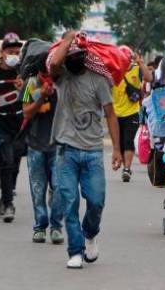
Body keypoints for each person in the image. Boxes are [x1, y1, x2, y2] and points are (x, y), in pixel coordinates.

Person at [49, 31, 122, 270]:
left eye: (78, 55)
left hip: (92, 150)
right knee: (69, 201)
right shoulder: (62, 77)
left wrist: (117, 150)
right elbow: (56, 63)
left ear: (86, 56)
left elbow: (111, 114)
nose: (74, 60)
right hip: (66, 149)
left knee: (96, 201)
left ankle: (90, 233)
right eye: (71, 55)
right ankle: (75, 251)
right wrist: (69, 39)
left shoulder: (98, 79)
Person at [22, 64, 64, 244]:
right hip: (35, 144)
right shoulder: (29, 85)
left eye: (50, 72)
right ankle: (40, 226)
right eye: (43, 73)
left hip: (59, 144)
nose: (47, 76)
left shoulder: (63, 84)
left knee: (59, 187)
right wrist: (41, 98)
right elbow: (26, 112)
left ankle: (56, 226)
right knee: (38, 189)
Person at [0, 33, 25, 222]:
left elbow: (32, 96)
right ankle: (8, 203)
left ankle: (6, 195)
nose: (14, 55)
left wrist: (24, 88)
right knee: (6, 161)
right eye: (10, 52)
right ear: (2, 52)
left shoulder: (22, 73)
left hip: (19, 123)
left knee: (15, 162)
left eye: (17, 52)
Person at [112, 45, 152, 182]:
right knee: (121, 143)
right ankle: (125, 167)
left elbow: (149, 78)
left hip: (132, 112)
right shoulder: (113, 71)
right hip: (115, 114)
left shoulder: (136, 70)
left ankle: (127, 169)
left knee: (128, 140)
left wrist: (140, 62)